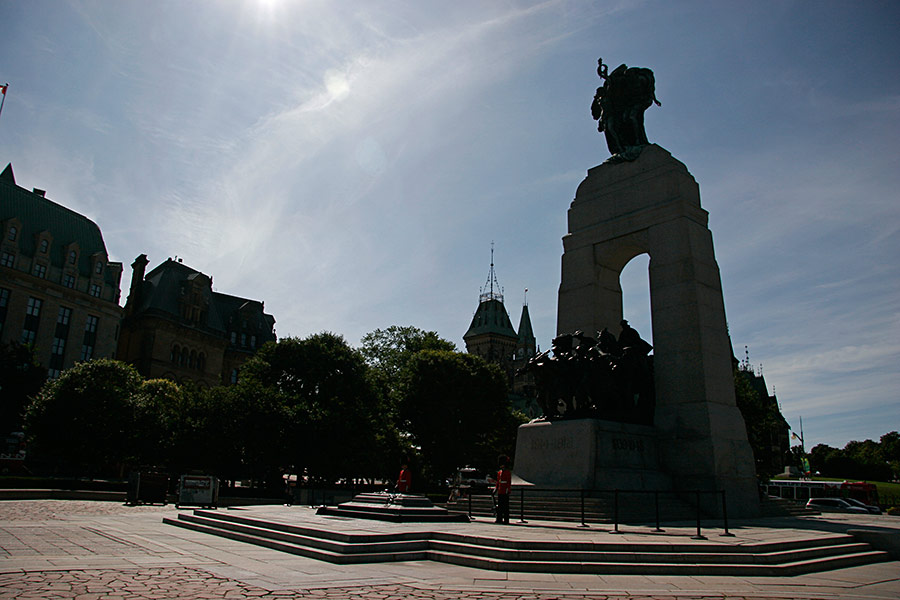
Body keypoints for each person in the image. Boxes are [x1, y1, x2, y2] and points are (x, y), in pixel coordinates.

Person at [495, 455, 512, 524]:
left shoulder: (507, 472)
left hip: (504, 490)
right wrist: (496, 488)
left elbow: (508, 482)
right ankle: (499, 519)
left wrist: (508, 489)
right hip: (500, 490)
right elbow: (498, 481)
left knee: (505, 506)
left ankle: (506, 519)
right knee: (500, 506)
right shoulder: (499, 472)